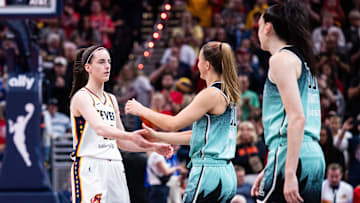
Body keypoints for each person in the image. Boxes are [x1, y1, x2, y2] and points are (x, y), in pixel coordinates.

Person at [125, 41, 241, 203]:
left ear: (207, 65)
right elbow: (196, 136)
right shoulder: (228, 94)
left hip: (208, 171)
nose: (196, 65)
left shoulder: (210, 94)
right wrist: (158, 136)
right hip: (226, 172)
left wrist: (141, 109)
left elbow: (173, 123)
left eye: (199, 60)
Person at [69, 45, 172, 203]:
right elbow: (100, 128)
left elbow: (121, 142)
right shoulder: (82, 97)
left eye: (109, 61)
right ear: (88, 67)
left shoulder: (111, 99)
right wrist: (130, 135)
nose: (107, 66)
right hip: (91, 164)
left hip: (115, 165)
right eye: (101, 62)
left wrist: (153, 147)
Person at [250, 1, 325, 203]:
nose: (257, 33)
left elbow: (297, 118)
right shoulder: (303, 60)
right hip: (312, 156)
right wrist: (270, 167)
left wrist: (288, 171)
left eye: (258, 26)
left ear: (268, 27)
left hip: (290, 155)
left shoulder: (280, 60)